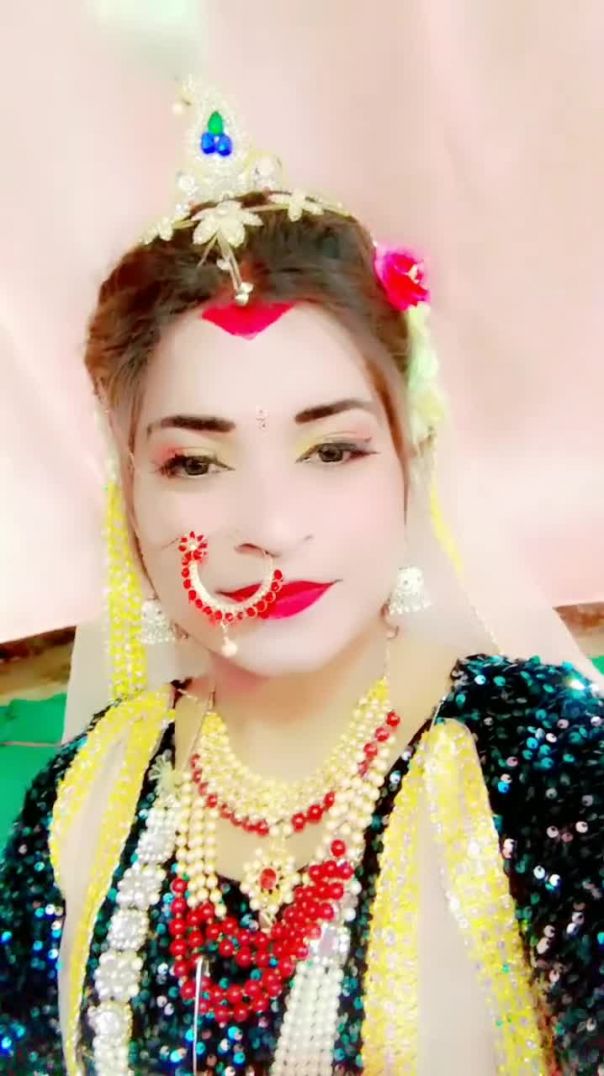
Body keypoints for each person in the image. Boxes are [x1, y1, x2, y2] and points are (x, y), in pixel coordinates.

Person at [0, 81, 601, 1076]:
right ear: (129, 494)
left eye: (332, 451)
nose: (272, 527)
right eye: (196, 463)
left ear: (410, 460)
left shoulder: (542, 762)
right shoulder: (79, 800)